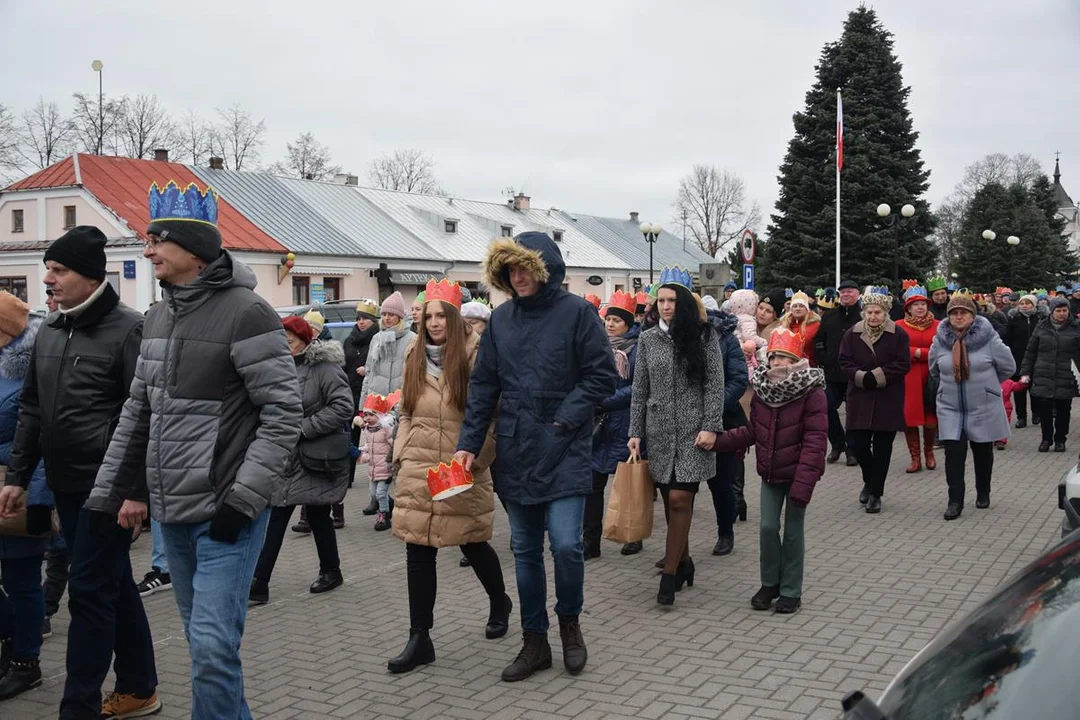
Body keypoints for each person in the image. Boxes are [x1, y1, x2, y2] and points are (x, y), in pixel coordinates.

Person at [84, 181, 302, 720]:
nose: (148, 251)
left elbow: (283, 414)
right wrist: (106, 496)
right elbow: (138, 411)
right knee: (208, 648)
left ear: (195, 252)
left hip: (227, 512)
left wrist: (243, 500)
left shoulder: (247, 312)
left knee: (209, 649)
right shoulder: (158, 316)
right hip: (172, 514)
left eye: (157, 241)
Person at [0, 226, 160, 719]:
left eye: (59, 270)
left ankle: (79, 707)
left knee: (89, 594)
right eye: (47, 269)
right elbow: (32, 409)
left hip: (108, 489)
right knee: (112, 582)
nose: (48, 279)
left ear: (91, 277)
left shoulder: (130, 328)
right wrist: (18, 476)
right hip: (65, 485)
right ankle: (139, 688)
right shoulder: (49, 329)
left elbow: (148, 414)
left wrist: (135, 490)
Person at [455, 232, 617, 682]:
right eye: (510, 270)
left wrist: (564, 421)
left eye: (525, 267)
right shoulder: (501, 320)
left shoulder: (578, 314)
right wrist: (468, 444)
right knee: (525, 551)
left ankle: (570, 624)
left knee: (566, 546)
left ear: (546, 269)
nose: (518, 276)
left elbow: (601, 377)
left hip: (564, 447)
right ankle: (534, 640)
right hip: (517, 449)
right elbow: (484, 386)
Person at [386, 281, 512, 673]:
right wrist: (401, 453)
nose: (435, 322)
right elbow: (406, 410)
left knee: (472, 542)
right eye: (429, 315)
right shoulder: (413, 353)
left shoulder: (479, 355)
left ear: (455, 317)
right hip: (420, 469)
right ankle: (419, 637)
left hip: (462, 466)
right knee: (418, 549)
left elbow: (495, 415)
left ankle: (500, 600)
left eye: (443, 315)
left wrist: (477, 459)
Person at [628, 268, 725, 606]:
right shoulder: (648, 338)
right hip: (659, 432)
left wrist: (711, 425)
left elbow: (715, 384)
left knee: (681, 500)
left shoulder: (704, 336)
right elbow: (639, 389)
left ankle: (668, 578)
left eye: (672, 300)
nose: (666, 306)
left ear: (684, 301)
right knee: (671, 502)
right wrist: (635, 433)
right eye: (661, 300)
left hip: (694, 431)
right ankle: (684, 563)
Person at [712, 329, 826, 614]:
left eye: (785, 358)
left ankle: (790, 590)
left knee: (793, 532)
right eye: (774, 357)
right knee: (767, 528)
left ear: (797, 360)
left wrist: (804, 484)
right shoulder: (763, 390)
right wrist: (717, 440)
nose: (778, 363)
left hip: (799, 473)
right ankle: (769, 584)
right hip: (771, 472)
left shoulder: (812, 392)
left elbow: (815, 441)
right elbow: (753, 431)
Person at [250, 315, 351, 604]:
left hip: (315, 455)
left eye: (290, 341)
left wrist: (304, 429)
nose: (284, 345)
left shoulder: (324, 368)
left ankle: (261, 581)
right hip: (285, 455)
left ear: (305, 340)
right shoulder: (279, 368)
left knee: (292, 512)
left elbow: (343, 406)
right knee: (299, 512)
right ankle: (329, 570)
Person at [0, 293, 50, 699]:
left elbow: (43, 439)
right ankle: (11, 635)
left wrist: (38, 500)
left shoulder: (35, 370)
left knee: (23, 581)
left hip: (19, 489)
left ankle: (24, 661)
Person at [928, 291, 1015, 520]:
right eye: (954, 313)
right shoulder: (940, 340)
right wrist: (948, 387)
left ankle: (983, 491)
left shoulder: (989, 339)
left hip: (983, 405)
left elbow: (1008, 367)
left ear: (972, 316)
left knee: (982, 452)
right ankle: (954, 501)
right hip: (950, 406)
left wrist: (988, 385)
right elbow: (934, 370)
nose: (958, 317)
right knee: (953, 455)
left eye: (963, 313)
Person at [839, 287, 911, 514]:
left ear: (885, 313)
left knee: (883, 448)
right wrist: (862, 377)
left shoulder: (898, 334)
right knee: (857, 444)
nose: (873, 316)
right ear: (864, 312)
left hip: (887, 397)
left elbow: (902, 364)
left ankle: (876, 493)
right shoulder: (852, 333)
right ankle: (869, 480)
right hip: (859, 396)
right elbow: (844, 361)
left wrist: (878, 376)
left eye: (877, 312)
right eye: (869, 312)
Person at [585, 290, 640, 560]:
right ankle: (590, 542)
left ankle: (633, 535)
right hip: (600, 426)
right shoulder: (598, 345)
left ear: (628, 324)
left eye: (617, 320)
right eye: (608, 319)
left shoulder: (638, 348)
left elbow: (638, 388)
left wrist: (604, 400)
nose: (610, 324)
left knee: (628, 484)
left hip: (627, 422)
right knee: (592, 486)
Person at [360, 291, 416, 517]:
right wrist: (364, 404)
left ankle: (399, 499)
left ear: (400, 316)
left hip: (398, 405)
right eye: (384, 315)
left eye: (392, 315)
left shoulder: (412, 339)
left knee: (397, 453)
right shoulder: (376, 338)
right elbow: (369, 372)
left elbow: (414, 374)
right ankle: (376, 497)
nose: (387, 319)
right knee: (375, 452)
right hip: (376, 404)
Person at [703, 301, 749, 554]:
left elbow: (739, 378)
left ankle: (725, 532)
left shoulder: (725, 338)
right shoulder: (675, 337)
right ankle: (678, 544)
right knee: (680, 489)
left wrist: (713, 406)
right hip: (684, 422)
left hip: (722, 419)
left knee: (720, 481)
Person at [1019, 296, 1080, 453]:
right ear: (1052, 311)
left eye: (1064, 310)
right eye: (1058, 311)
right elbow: (1031, 351)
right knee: (1045, 410)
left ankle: (1060, 439)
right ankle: (1046, 439)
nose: (1061, 314)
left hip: (1066, 374)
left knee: (1063, 410)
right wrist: (1025, 371)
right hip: (1044, 373)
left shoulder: (1076, 327)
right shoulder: (1041, 327)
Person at [815, 279, 863, 466]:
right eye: (842, 292)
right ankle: (837, 444)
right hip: (833, 373)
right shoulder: (830, 316)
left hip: (855, 374)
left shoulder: (863, 315)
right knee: (825, 407)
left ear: (857, 294)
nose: (845, 295)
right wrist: (823, 358)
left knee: (853, 412)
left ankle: (852, 449)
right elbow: (819, 339)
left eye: (850, 292)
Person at [896, 285, 940, 473]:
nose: (920, 307)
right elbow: (896, 349)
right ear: (908, 308)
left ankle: (929, 452)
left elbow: (943, 347)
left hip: (931, 377)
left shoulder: (938, 325)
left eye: (923, 304)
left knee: (931, 419)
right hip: (908, 377)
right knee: (910, 419)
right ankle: (915, 458)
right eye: (916, 305)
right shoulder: (898, 326)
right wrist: (920, 352)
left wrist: (923, 354)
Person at [356, 396, 395, 531]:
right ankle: (389, 502)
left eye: (371, 415)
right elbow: (368, 445)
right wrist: (363, 453)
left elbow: (394, 445)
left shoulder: (386, 429)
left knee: (380, 493)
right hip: (373, 468)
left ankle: (384, 516)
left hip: (385, 467)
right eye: (365, 415)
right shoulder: (368, 430)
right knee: (373, 494)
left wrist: (392, 460)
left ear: (379, 415)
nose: (367, 418)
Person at [1004, 294, 1042, 428]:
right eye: (1022, 303)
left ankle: (1036, 413)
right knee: (1019, 390)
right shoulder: (1014, 319)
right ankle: (1021, 417)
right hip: (1018, 360)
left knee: (1035, 389)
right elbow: (1007, 338)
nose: (1024, 306)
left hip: (1036, 360)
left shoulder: (1040, 319)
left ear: (1034, 305)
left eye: (1028, 303)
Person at [779, 291, 821, 365]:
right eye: (795, 306)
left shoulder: (815, 324)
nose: (798, 309)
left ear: (806, 308)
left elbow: (800, 343)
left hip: (808, 365)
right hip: (787, 365)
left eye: (801, 306)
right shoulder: (785, 323)